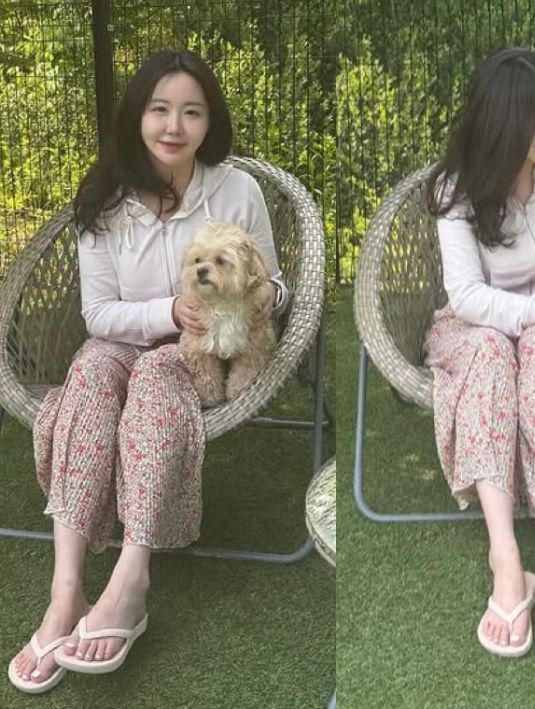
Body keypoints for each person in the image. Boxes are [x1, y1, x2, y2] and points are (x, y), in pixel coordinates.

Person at [9, 49, 288, 692]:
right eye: (160, 109)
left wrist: (259, 299)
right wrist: (168, 310)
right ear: (137, 116)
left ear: (209, 122)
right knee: (89, 377)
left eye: (192, 112)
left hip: (197, 352)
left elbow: (276, 283)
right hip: (123, 339)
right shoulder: (101, 199)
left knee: (157, 376)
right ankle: (66, 593)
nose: (174, 126)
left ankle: (131, 580)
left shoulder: (236, 190)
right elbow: (97, 313)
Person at [424, 47, 535, 658]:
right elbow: (468, 297)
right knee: (493, 355)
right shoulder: (457, 188)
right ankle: (506, 560)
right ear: (501, 121)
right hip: (476, 326)